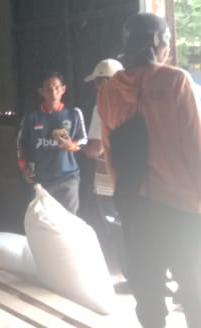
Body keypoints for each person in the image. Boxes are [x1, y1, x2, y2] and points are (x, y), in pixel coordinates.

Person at [98, 13, 201, 328]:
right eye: (167, 40)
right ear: (155, 40)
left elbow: (110, 152)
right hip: (181, 207)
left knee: (149, 295)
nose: (168, 47)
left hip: (136, 208)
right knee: (195, 293)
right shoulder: (176, 81)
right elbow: (196, 147)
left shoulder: (108, 91)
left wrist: (125, 200)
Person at [82, 58, 129, 292]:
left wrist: (78, 147)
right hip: (136, 178)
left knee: (118, 229)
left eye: (98, 83)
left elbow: (95, 148)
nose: (97, 88)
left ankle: (132, 278)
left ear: (104, 82)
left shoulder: (101, 106)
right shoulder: (136, 101)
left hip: (108, 181)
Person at [17, 71, 88, 214]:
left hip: (68, 179)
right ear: (41, 92)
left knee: (68, 221)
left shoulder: (73, 114)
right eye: (48, 89)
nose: (53, 93)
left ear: (63, 89)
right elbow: (20, 144)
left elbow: (84, 141)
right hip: (41, 181)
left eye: (56, 88)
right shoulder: (31, 117)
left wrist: (70, 145)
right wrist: (23, 166)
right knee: (42, 221)